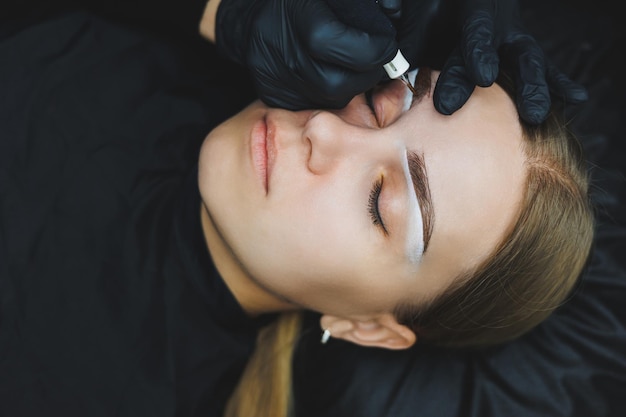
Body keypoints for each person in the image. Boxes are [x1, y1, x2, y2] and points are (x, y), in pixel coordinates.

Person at [0, 2, 595, 417]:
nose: (324, 132)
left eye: (377, 203)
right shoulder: (222, 31)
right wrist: (217, 11)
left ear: (367, 328)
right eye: (384, 103)